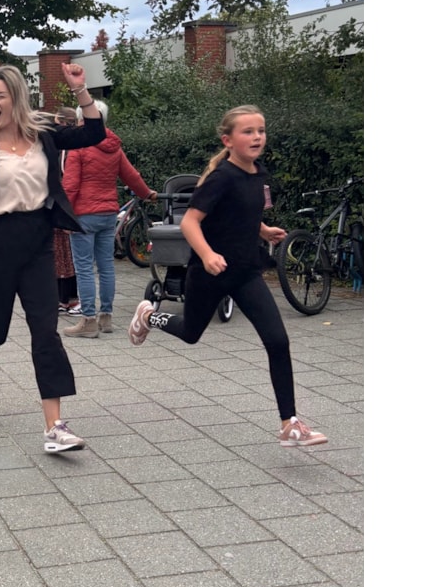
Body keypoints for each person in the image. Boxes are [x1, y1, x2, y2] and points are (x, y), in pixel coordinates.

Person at [128, 104, 329, 448]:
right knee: (190, 333)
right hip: (210, 273)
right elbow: (190, 223)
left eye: (261, 130)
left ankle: (289, 424)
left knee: (277, 341)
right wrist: (207, 255)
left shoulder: (258, 173)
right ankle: (149, 316)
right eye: (248, 131)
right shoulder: (221, 177)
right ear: (228, 140)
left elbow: (242, 212)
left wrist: (263, 230)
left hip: (247, 272)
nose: (257, 137)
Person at [0, 62, 105, 453]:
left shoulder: (43, 134)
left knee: (45, 331)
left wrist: (80, 90)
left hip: (38, 242)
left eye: (0, 95)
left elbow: (94, 133)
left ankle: (55, 427)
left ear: (16, 98)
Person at [63, 100, 156, 336]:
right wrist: (147, 194)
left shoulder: (79, 146)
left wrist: (63, 216)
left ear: (82, 119)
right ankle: (106, 318)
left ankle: (88, 321)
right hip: (108, 214)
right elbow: (131, 176)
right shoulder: (113, 146)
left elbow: (71, 185)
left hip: (83, 215)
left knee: (84, 268)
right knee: (106, 266)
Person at [50, 108, 82, 318]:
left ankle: (68, 299)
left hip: (64, 207)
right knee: (68, 256)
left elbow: (68, 182)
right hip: (79, 207)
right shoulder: (79, 145)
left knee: (64, 256)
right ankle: (67, 298)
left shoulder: (66, 150)